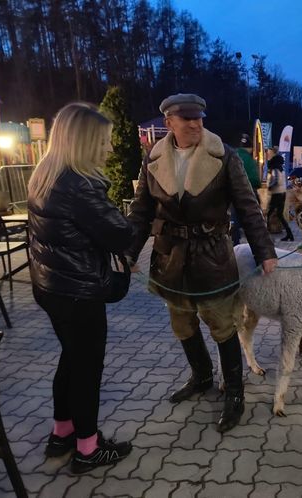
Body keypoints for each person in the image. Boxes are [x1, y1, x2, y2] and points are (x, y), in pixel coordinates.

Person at [126, 93, 277, 432]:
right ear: (169, 123)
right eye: (187, 118)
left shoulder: (222, 156)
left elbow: (248, 206)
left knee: (222, 325)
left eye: (199, 118)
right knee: (182, 324)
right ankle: (202, 376)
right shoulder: (153, 156)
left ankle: (235, 393)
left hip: (212, 255)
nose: (195, 124)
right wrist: (129, 251)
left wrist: (265, 252)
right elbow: (141, 212)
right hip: (170, 257)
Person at [27, 103, 134, 473]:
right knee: (87, 369)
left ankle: (62, 433)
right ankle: (88, 450)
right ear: (84, 142)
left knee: (70, 359)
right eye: (102, 142)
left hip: (51, 287)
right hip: (77, 291)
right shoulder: (80, 186)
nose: (107, 149)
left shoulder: (45, 174)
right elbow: (120, 232)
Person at [231, 133, 262, 245]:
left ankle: (235, 246)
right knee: (253, 223)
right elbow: (255, 180)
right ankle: (256, 249)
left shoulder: (232, 155)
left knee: (234, 223)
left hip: (231, 196)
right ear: (250, 148)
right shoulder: (249, 160)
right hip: (247, 194)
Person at [266, 146, 294, 241]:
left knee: (269, 213)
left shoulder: (275, 168)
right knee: (279, 215)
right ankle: (290, 234)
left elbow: (276, 180)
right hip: (282, 193)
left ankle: (265, 233)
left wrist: (269, 186)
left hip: (277, 194)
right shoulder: (280, 167)